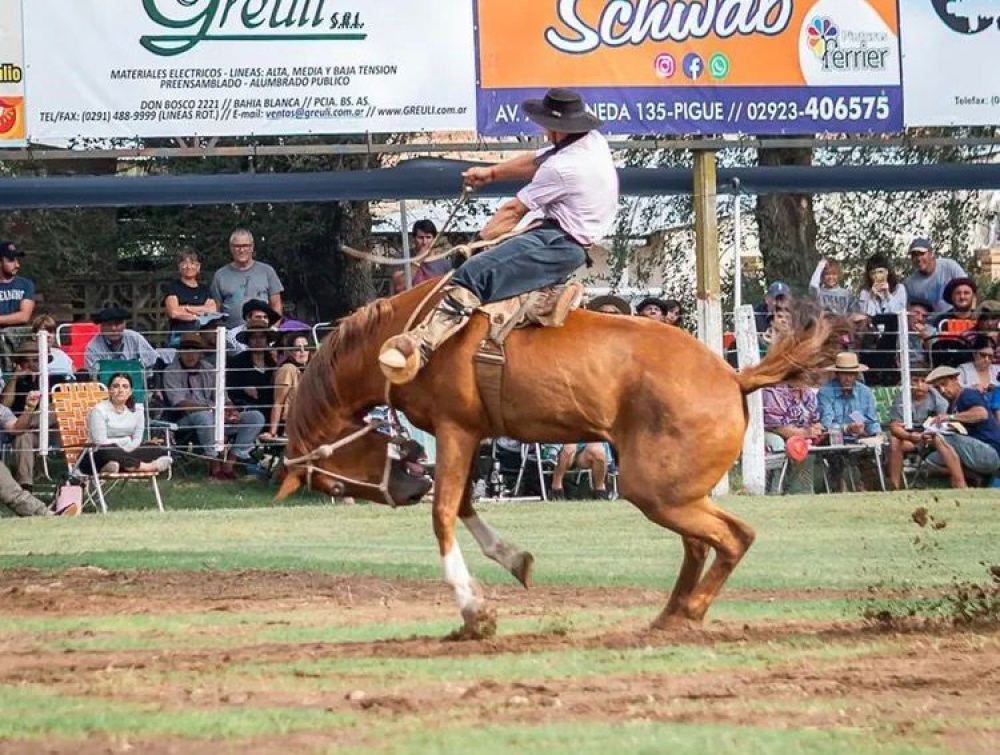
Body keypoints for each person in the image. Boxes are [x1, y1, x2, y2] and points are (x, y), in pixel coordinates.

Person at [378, 88, 619, 385]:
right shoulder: (591, 142)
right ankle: (542, 297)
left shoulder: (563, 168)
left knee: (473, 274)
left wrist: (475, 244)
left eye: (546, 124)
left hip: (558, 241)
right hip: (563, 236)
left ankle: (420, 346)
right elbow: (535, 160)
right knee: (494, 261)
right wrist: (491, 174)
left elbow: (512, 211)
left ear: (556, 128)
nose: (543, 129)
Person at [161, 333, 265, 479]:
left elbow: (223, 397)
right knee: (205, 416)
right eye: (186, 350)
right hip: (187, 418)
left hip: (217, 415)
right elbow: (179, 403)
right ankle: (214, 464)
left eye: (194, 350)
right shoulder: (171, 371)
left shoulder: (209, 369)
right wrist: (211, 411)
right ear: (180, 352)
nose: (190, 354)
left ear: (201, 353)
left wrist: (231, 410)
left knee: (255, 417)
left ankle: (232, 459)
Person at [924, 365, 1000, 487]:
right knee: (931, 460)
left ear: (955, 380)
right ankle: (976, 477)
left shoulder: (968, 394)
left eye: (944, 384)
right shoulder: (952, 405)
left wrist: (950, 417)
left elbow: (982, 414)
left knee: (940, 437)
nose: (942, 390)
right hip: (975, 451)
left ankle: (960, 485)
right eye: (938, 388)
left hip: (990, 451)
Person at [84, 372, 172, 475]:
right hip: (97, 455)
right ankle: (147, 467)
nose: (120, 390)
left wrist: (125, 449)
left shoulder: (137, 411)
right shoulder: (99, 410)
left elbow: (137, 441)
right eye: (116, 386)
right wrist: (125, 441)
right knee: (109, 449)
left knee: (153, 448)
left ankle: (116, 466)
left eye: (125, 387)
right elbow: (100, 441)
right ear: (110, 390)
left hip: (127, 452)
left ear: (130, 391)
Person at [886, 369, 948, 490]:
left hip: (932, 437)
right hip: (909, 437)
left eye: (923, 381)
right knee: (894, 443)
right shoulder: (902, 397)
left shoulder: (937, 398)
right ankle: (894, 486)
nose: (919, 385)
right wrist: (909, 436)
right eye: (915, 381)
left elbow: (943, 423)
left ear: (930, 383)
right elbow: (894, 426)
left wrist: (929, 435)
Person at [210, 229, 284, 328]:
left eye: (245, 246)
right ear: (231, 248)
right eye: (237, 246)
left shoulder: (267, 271)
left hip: (262, 333)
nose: (241, 250)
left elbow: (276, 305)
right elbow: (216, 309)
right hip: (230, 335)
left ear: (252, 247)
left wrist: (273, 329)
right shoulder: (220, 275)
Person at [762, 381, 823, 494]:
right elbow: (775, 427)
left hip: (801, 433)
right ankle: (777, 489)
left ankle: (803, 489)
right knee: (781, 444)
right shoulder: (773, 392)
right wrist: (803, 433)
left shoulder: (808, 393)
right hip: (773, 433)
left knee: (810, 445)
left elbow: (815, 419)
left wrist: (816, 428)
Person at [84, 306, 160, 380]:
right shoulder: (92, 347)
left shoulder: (135, 338)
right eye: (109, 324)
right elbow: (93, 377)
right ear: (101, 327)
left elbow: (154, 361)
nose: (113, 328)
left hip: (137, 385)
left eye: (117, 324)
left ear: (124, 324)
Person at [163, 248, 218, 346]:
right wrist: (200, 313)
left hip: (203, 336)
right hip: (179, 336)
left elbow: (212, 310)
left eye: (192, 263)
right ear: (179, 266)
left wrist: (187, 308)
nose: (188, 267)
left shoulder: (204, 289)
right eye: (184, 263)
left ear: (198, 267)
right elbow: (174, 312)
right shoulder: (173, 286)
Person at [262, 331, 311, 439]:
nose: (303, 351)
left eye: (306, 348)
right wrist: (272, 432)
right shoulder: (288, 369)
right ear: (289, 351)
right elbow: (278, 402)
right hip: (291, 424)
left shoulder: (308, 370)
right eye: (297, 348)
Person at [903, 237, 967, 312]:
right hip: (929, 322)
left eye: (922, 254)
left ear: (932, 254)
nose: (918, 258)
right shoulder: (910, 284)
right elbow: (909, 310)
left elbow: (969, 291)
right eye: (914, 255)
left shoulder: (950, 266)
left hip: (953, 318)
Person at [227, 325, 277, 420]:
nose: (258, 341)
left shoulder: (273, 361)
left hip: (272, 405)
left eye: (262, 337)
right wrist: (243, 389)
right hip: (247, 407)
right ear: (247, 341)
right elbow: (230, 387)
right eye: (254, 337)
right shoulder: (237, 361)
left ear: (267, 340)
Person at [0, 242, 36, 372]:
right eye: (11, 260)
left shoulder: (26, 284)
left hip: (20, 341)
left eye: (17, 260)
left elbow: (24, 316)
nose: (17, 265)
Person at [549, 442, 614, 500]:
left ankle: (600, 491)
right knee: (570, 446)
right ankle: (556, 488)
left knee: (598, 450)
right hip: (563, 448)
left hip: (583, 451)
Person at [30, 314, 74, 381]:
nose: (48, 336)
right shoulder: (29, 357)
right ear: (34, 336)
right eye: (44, 331)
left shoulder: (60, 353)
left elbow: (75, 372)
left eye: (51, 332)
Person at [410, 219, 454, 285]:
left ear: (434, 239)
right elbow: (400, 286)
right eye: (420, 238)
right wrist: (418, 260)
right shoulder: (404, 259)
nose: (424, 242)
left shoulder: (445, 264)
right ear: (414, 238)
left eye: (428, 237)